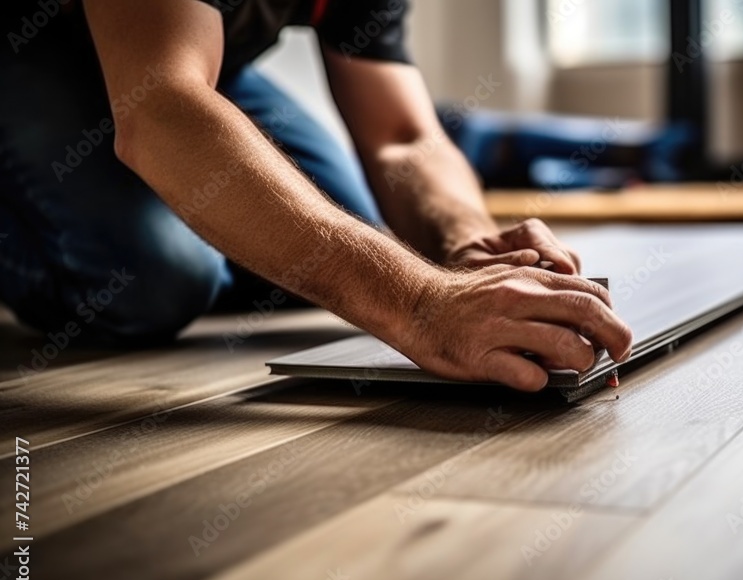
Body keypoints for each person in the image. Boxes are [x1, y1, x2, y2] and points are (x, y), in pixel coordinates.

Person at [0, 0, 632, 391]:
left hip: (185, 55)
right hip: (35, 46)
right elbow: (162, 109)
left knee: (326, 238)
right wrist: (419, 301)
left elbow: (404, 138)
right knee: (159, 280)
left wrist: (466, 243)